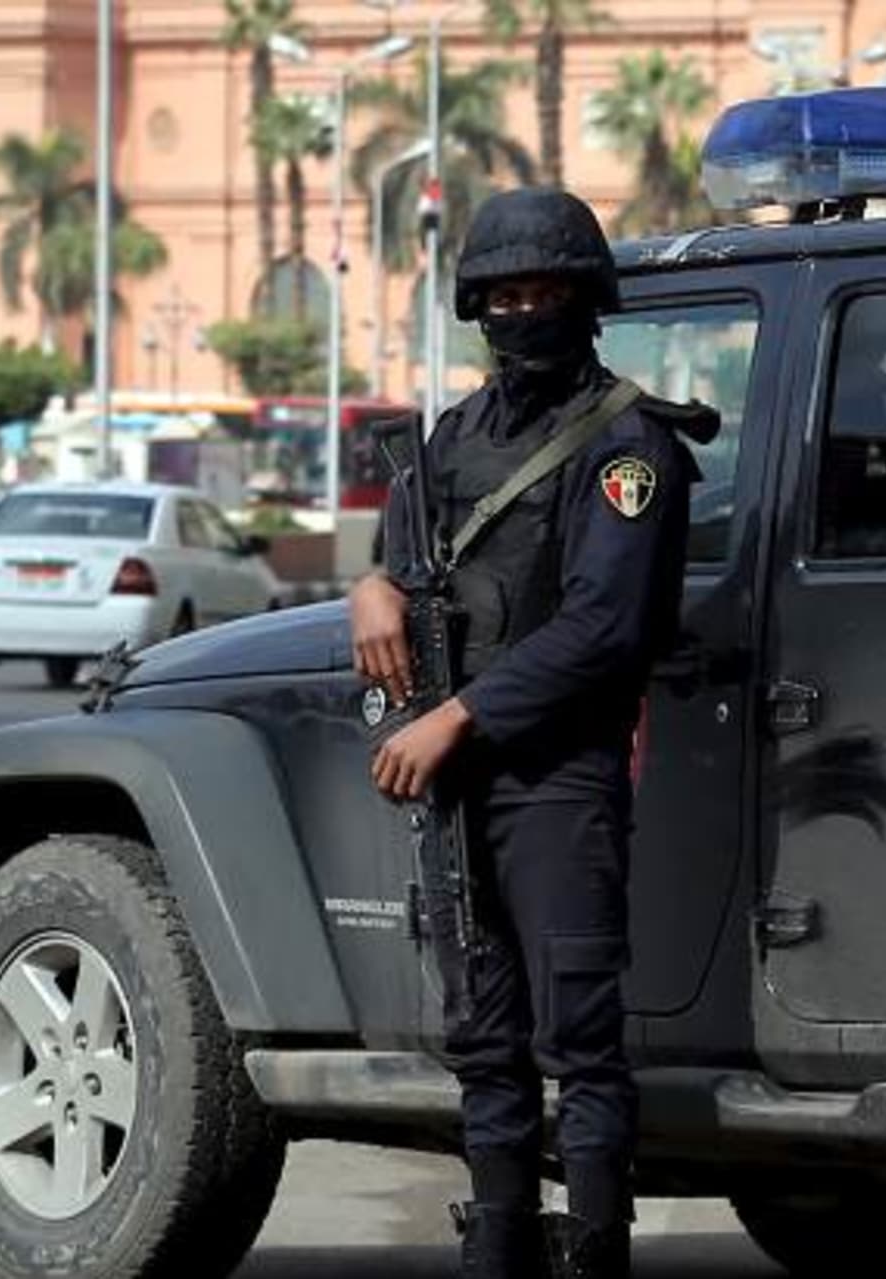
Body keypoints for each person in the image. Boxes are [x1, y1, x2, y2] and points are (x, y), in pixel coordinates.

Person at [350, 189, 717, 1279]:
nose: (522, 312)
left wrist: (460, 716)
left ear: (584, 300)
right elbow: (412, 578)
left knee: (580, 1043)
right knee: (483, 1035)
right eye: (503, 295)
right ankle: (500, 1237)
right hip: (458, 783)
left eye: (544, 291)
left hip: (557, 778)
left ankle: (597, 1248)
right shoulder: (454, 439)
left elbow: (608, 627)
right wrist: (366, 588)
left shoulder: (627, 443)